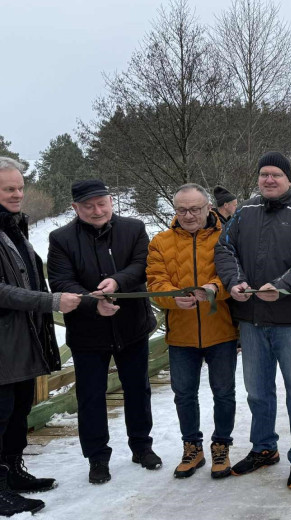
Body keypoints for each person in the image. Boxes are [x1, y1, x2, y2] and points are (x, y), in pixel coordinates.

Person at [214, 152, 291, 489]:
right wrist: (234, 282)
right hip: (251, 318)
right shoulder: (244, 212)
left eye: (276, 174)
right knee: (258, 391)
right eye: (264, 174)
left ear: (289, 179)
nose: (269, 180)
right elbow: (224, 249)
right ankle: (264, 448)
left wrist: (282, 285)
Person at [47, 179, 161, 484]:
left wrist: (118, 282)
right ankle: (97, 457)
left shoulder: (134, 228)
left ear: (111, 201)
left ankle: (141, 446)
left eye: (101, 203)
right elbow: (60, 281)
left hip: (131, 325)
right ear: (75, 208)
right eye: (88, 206)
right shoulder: (61, 238)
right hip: (88, 331)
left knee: (138, 388)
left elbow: (142, 265)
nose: (97, 211)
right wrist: (90, 303)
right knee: (91, 396)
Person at [0, 158, 78, 515]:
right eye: (9, 189)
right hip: (3, 342)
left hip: (22, 340)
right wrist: (51, 301)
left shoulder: (12, 227)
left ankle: (13, 473)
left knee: (18, 411)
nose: (18, 194)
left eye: (20, 187)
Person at [147, 184, 238, 480]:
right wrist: (172, 298)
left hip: (220, 330)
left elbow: (234, 276)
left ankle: (221, 445)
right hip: (181, 334)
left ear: (208, 208)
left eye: (195, 209)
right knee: (184, 394)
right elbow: (154, 283)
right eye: (182, 209)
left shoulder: (227, 237)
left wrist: (215, 289)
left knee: (223, 393)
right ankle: (192, 446)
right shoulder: (161, 242)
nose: (188, 215)